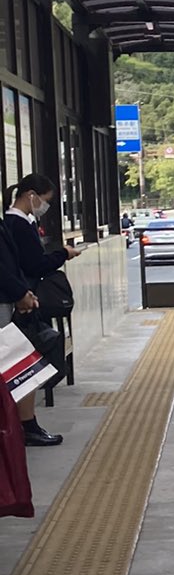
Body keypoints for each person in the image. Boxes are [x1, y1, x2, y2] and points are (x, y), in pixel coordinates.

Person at [3, 173, 76, 449]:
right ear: (30, 195)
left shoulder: (17, 223)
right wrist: (63, 255)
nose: (44, 208)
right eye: (44, 201)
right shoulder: (16, 225)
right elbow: (30, 265)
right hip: (18, 302)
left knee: (23, 362)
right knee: (22, 363)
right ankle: (26, 425)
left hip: (21, 298)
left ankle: (26, 424)